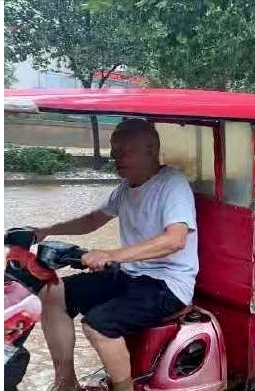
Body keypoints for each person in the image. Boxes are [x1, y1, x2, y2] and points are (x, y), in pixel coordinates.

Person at [33, 118, 199, 391]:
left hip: (168, 285)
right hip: (131, 275)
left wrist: (112, 254)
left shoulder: (172, 184)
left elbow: (175, 240)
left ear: (150, 149)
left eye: (123, 149)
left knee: (98, 326)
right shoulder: (126, 187)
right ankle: (66, 382)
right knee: (52, 292)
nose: (113, 155)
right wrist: (45, 230)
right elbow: (92, 221)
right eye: (113, 148)